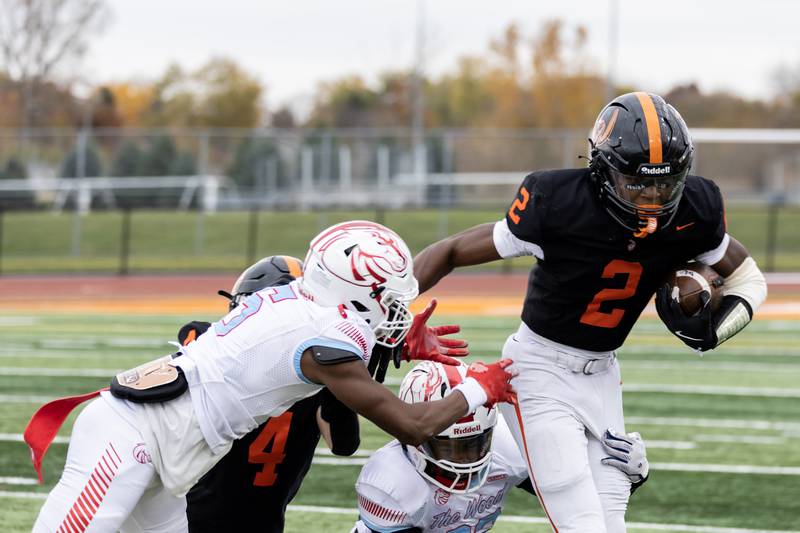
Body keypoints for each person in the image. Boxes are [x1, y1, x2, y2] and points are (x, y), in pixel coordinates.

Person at [412, 92, 768, 532]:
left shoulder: (697, 207)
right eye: (636, 184)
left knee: (611, 521)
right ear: (602, 171)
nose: (652, 198)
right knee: (581, 522)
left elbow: (749, 279)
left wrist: (717, 329)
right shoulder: (556, 202)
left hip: (603, 375)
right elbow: (451, 250)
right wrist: (394, 304)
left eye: (666, 183)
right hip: (538, 369)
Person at [25, 220, 517, 533]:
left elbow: (437, 259)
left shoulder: (307, 300)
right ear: (359, 294)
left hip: (168, 458)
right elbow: (412, 425)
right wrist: (483, 385)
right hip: (131, 437)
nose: (396, 307)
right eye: (388, 298)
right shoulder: (325, 337)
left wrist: (396, 336)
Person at [351, 361, 650, 533]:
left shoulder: (507, 449)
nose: (465, 459)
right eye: (451, 447)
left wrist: (628, 477)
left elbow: (581, 499)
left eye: (473, 443)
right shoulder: (394, 483)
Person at [179, 255, 361, 533]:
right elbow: (344, 444)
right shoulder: (320, 373)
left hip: (195, 519)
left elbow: (344, 443)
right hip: (260, 521)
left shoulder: (213, 346)